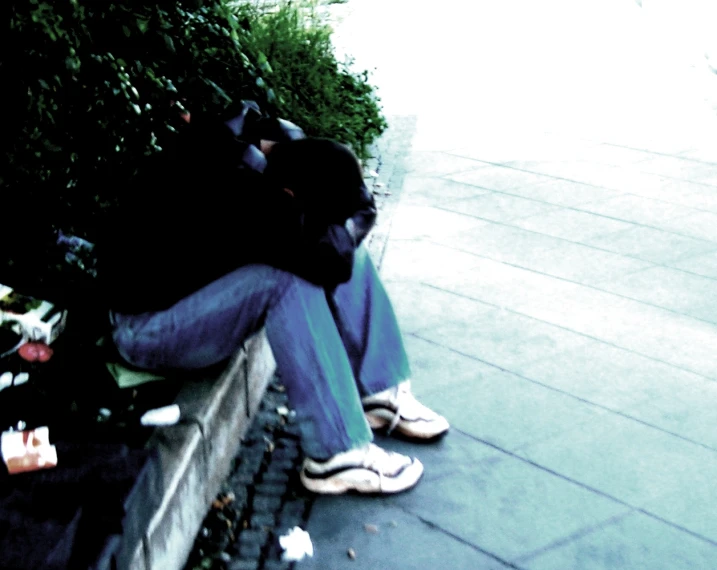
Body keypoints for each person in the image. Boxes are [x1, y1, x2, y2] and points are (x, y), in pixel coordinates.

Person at [99, 103, 449, 494]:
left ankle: (380, 392)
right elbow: (328, 258)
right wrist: (347, 221)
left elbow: (346, 211)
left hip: (187, 300)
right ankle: (337, 455)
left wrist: (343, 218)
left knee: (343, 248)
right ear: (289, 192)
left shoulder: (264, 147)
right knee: (292, 277)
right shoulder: (248, 196)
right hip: (146, 332)